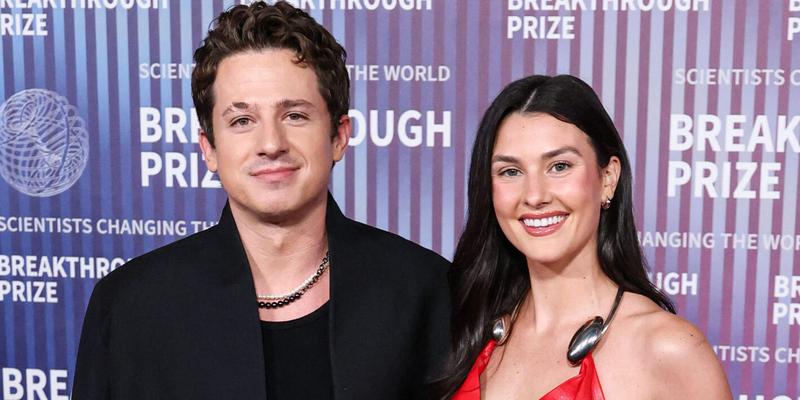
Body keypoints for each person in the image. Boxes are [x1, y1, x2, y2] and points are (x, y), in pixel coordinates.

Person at [71, 2, 450, 399]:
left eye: (295, 116)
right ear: (209, 148)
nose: (271, 144)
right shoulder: (131, 307)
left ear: (339, 136)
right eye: (241, 121)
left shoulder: (425, 292)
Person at [433, 75, 731, 399]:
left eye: (559, 166)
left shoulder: (668, 350)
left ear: (608, 178)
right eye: (511, 172)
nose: (534, 195)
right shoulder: (469, 331)